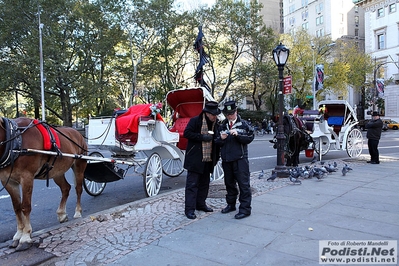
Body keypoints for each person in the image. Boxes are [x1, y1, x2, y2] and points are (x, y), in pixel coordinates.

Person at [215, 101, 254, 219]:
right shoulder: (222, 125)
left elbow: (250, 137)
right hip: (227, 159)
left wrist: (238, 135)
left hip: (240, 159)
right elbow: (216, 141)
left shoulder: (243, 124)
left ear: (236, 112)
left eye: (231, 113)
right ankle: (231, 204)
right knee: (229, 184)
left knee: (243, 184)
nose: (229, 116)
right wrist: (221, 139)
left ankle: (245, 209)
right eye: (227, 114)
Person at [183, 101, 221, 219]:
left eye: (215, 114)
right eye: (213, 114)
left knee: (205, 184)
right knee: (192, 185)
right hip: (195, 158)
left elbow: (217, 140)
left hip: (209, 158)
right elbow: (187, 133)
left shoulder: (216, 124)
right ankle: (189, 209)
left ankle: (201, 204)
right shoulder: (196, 121)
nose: (214, 117)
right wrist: (202, 137)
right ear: (207, 113)